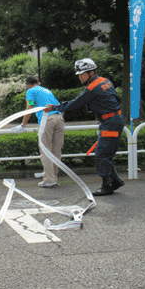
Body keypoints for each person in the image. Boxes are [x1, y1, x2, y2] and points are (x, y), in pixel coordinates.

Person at [43, 58, 124, 196]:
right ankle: (115, 180)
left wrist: (54, 107)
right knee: (106, 153)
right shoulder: (105, 81)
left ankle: (107, 186)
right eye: (79, 74)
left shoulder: (93, 88)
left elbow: (75, 103)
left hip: (110, 122)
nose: (80, 77)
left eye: (82, 74)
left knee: (101, 155)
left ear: (91, 73)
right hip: (114, 120)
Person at [12, 76, 65, 188]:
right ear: (38, 83)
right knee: (56, 150)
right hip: (59, 119)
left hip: (47, 119)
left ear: (28, 85)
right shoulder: (47, 90)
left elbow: (29, 107)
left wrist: (23, 125)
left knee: (45, 150)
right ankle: (53, 177)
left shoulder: (31, 91)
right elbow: (61, 107)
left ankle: (49, 180)